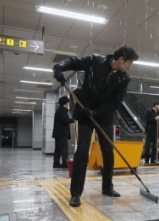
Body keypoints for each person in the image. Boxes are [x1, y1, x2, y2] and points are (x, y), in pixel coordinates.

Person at [53, 46, 139, 207]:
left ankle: (107, 187)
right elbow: (74, 61)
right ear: (121, 59)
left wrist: (96, 111)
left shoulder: (124, 78)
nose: (129, 67)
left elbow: (115, 103)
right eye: (129, 63)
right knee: (82, 152)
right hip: (85, 114)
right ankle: (76, 193)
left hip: (103, 116)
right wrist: (59, 67)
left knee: (108, 152)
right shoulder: (95, 61)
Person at [52, 96, 75, 169]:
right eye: (68, 102)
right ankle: (65, 163)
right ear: (65, 103)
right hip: (61, 133)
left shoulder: (60, 110)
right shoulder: (62, 110)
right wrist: (73, 120)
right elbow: (65, 120)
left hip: (58, 133)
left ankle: (56, 163)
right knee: (64, 149)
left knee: (58, 149)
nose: (68, 104)